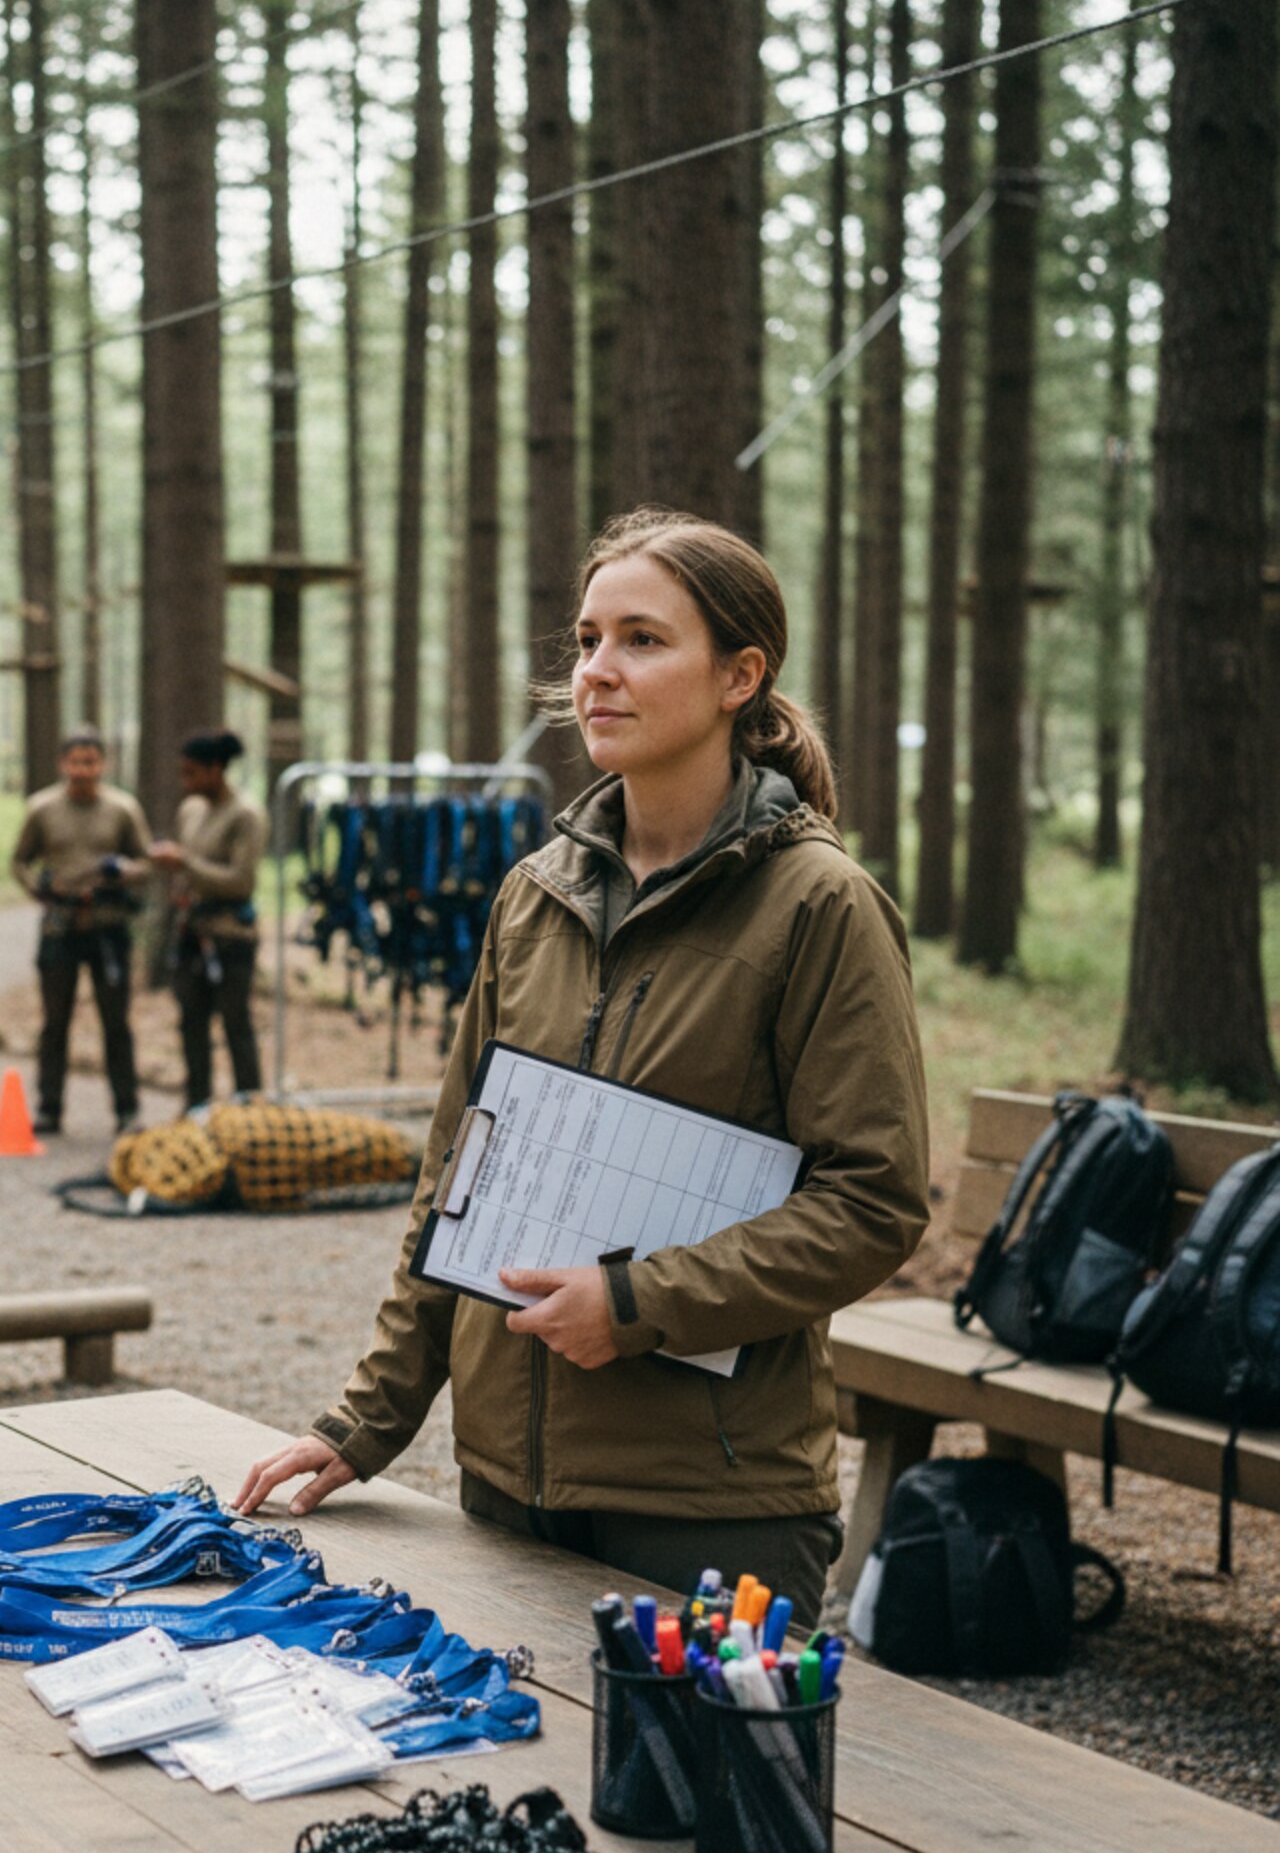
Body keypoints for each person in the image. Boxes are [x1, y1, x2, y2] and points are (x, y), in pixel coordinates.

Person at [234, 508, 930, 1626]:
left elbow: (871, 1201)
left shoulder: (820, 906)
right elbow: (455, 1178)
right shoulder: (535, 892)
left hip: (709, 1503)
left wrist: (636, 1300)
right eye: (586, 639)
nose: (595, 672)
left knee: (700, 1805)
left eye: (641, 640)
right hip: (506, 1481)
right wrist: (363, 1423)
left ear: (737, 675)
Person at [11, 727, 153, 1135]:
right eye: (76, 761)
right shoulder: (42, 808)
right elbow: (20, 861)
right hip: (60, 925)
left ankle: (126, 1109)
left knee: (116, 1021)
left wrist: (125, 872)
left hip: (108, 927)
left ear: (102, 765)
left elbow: (145, 861)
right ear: (63, 764)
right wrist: (38, 887)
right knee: (55, 1021)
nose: (83, 769)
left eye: (90, 761)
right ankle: (50, 1107)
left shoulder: (122, 809)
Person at [149, 729, 268, 1112]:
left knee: (236, 1023)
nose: (186, 783)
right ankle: (196, 1107)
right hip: (192, 934)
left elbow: (241, 880)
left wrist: (185, 862)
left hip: (231, 937)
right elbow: (191, 872)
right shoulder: (191, 810)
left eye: (192, 774)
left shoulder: (246, 815)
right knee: (191, 1024)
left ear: (216, 769)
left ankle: (250, 1109)